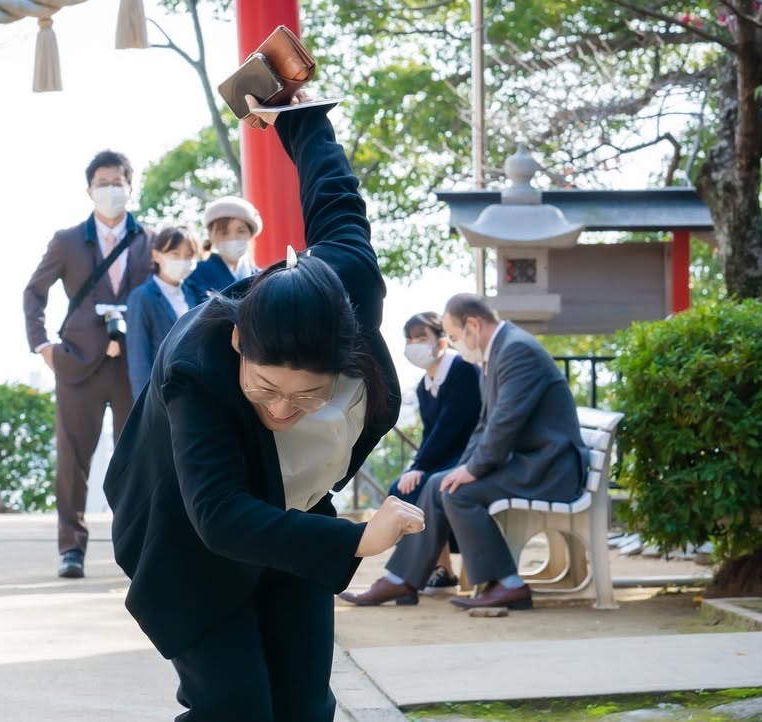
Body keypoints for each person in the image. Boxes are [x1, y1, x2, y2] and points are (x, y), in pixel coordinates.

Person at [103, 98, 424, 722]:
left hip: (293, 510)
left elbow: (336, 194)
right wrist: (360, 540)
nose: (283, 409)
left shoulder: (349, 283)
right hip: (184, 531)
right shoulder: (197, 369)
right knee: (236, 707)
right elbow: (219, 516)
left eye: (307, 396)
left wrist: (296, 115)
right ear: (237, 346)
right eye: (266, 389)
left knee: (304, 705)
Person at [340, 294, 588, 610]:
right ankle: (400, 579)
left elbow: (504, 423)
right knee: (437, 483)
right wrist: (466, 466)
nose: (455, 345)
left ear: (473, 325)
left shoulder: (516, 350)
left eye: (455, 337)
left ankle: (508, 584)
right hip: (533, 463)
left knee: (458, 492)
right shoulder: (498, 352)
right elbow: (486, 425)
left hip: (551, 469)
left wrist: (471, 470)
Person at [23, 149, 153, 579]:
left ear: (130, 187)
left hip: (133, 366)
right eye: (103, 183)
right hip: (77, 363)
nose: (111, 190)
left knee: (135, 456)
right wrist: (42, 345)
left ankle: (135, 545)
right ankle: (71, 549)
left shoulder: (151, 240)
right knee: (73, 458)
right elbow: (34, 292)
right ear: (89, 190)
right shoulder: (66, 240)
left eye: (118, 182)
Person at [390, 311, 481, 591]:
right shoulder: (423, 386)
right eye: (409, 339)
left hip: (471, 455)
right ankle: (442, 569)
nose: (414, 344)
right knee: (401, 488)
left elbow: (449, 427)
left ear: (441, 341)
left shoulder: (462, 370)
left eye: (421, 337)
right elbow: (432, 434)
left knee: (424, 484)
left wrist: (420, 466)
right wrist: (416, 465)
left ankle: (429, 570)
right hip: (447, 457)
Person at [125, 226, 200, 394]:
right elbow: (139, 360)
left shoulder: (196, 293)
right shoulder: (142, 297)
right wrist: (145, 410)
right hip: (163, 394)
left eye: (188, 256)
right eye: (174, 254)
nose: (182, 261)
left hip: (198, 392)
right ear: (156, 255)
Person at [184, 195, 262, 305]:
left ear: (250, 235)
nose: (233, 239)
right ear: (211, 236)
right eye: (224, 233)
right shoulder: (194, 275)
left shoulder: (262, 277)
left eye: (241, 231)